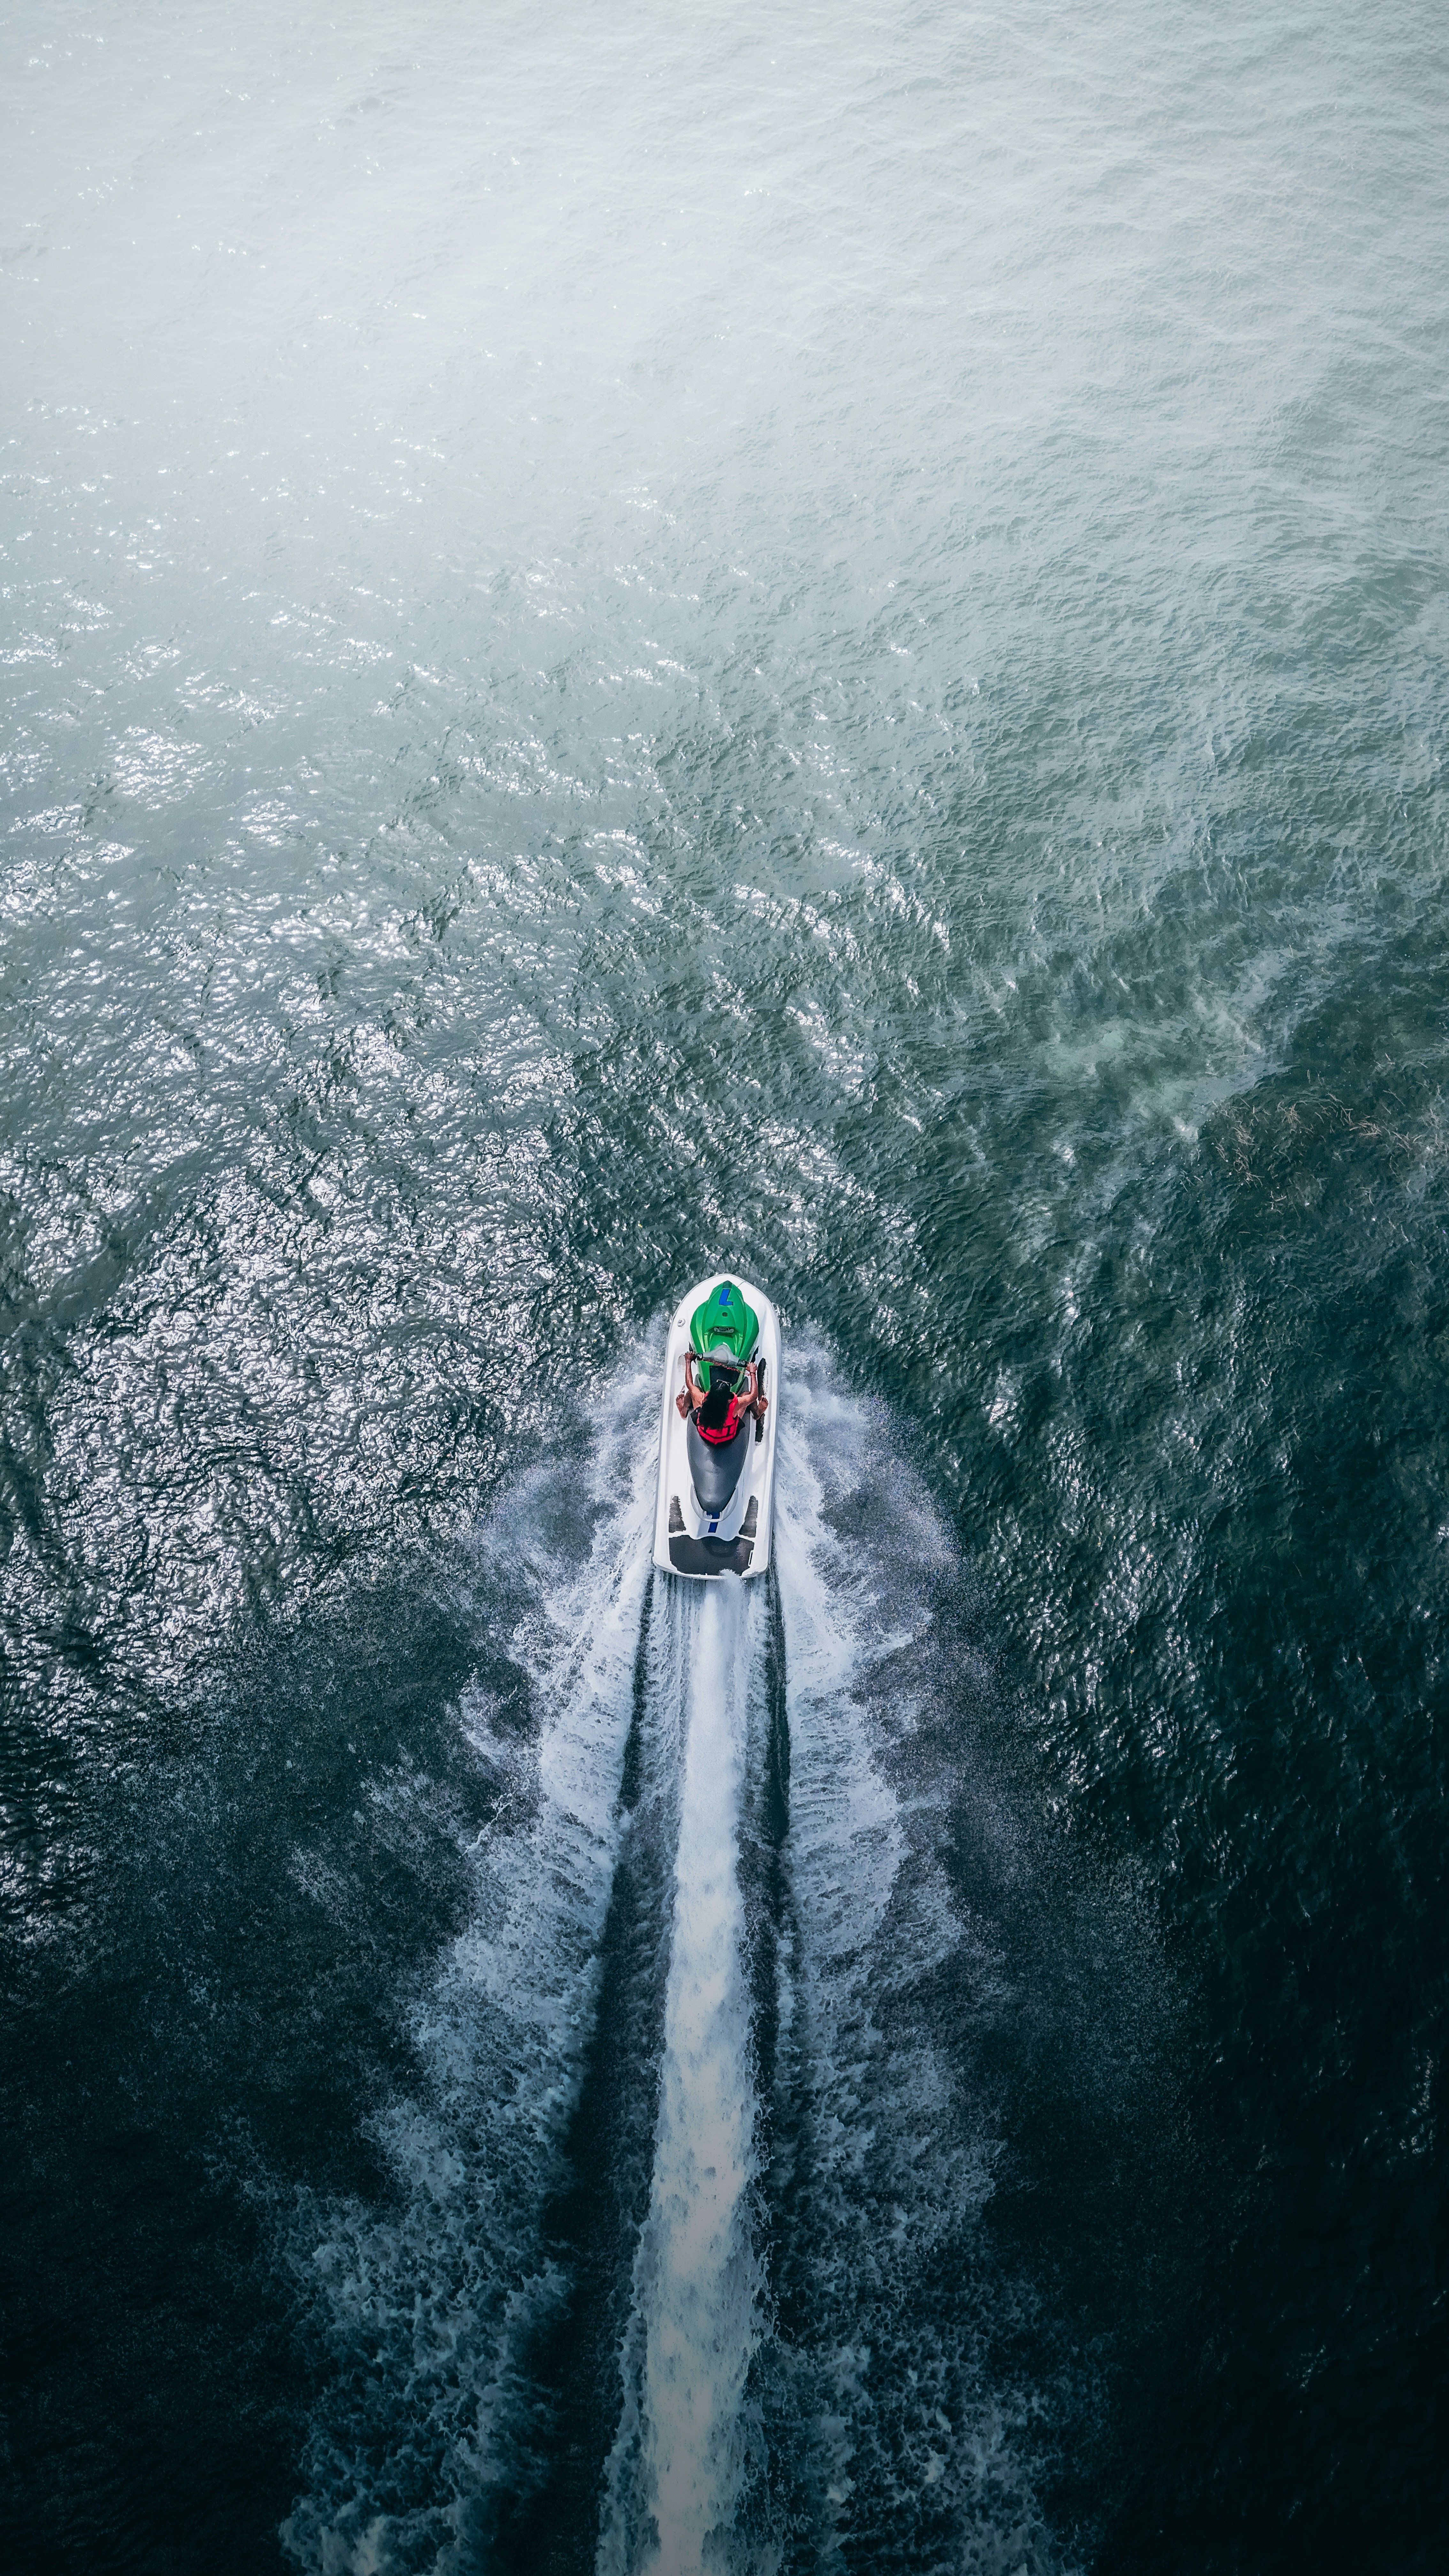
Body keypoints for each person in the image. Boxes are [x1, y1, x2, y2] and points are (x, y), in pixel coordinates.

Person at [676, 1345, 768, 1438]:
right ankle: (757, 1413)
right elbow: (753, 1396)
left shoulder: (702, 1400)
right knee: (746, 1394)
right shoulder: (734, 1406)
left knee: (691, 1392)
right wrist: (753, 1373)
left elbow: (690, 1385)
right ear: (728, 1399)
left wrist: (688, 1361)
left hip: (706, 1434)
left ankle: (684, 1411)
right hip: (727, 1437)